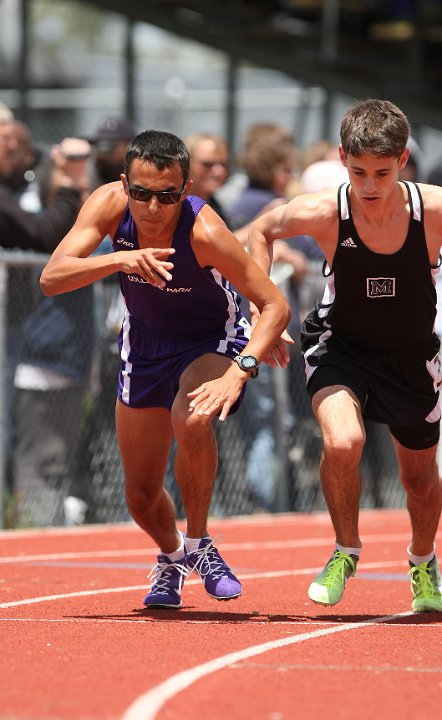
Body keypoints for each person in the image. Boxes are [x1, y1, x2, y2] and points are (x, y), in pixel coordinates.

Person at [39, 129, 290, 608]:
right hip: (145, 344)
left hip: (211, 340)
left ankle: (200, 544)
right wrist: (121, 259)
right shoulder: (109, 206)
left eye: (167, 196)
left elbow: (274, 305)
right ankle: (172, 557)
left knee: (191, 417)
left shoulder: (205, 231)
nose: (152, 208)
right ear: (124, 184)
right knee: (139, 496)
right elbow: (51, 277)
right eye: (141, 194)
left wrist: (243, 367)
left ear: (186, 189)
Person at [249, 98, 442, 613]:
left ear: (403, 161)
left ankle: (423, 562)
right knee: (344, 442)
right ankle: (345, 550)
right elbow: (261, 231)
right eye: (358, 172)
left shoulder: (433, 209)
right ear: (341, 159)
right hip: (342, 348)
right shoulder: (323, 210)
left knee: (419, 481)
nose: (370, 185)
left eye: (382, 171)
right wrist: (264, 308)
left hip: (412, 357)